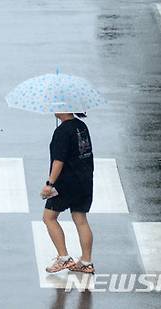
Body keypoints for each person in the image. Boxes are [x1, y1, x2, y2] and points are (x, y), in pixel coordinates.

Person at [41, 112, 95, 274]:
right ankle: (86, 262)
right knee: (81, 219)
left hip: (66, 183)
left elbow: (59, 161)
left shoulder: (62, 132)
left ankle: (63, 258)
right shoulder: (81, 126)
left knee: (49, 218)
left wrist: (49, 184)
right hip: (85, 180)